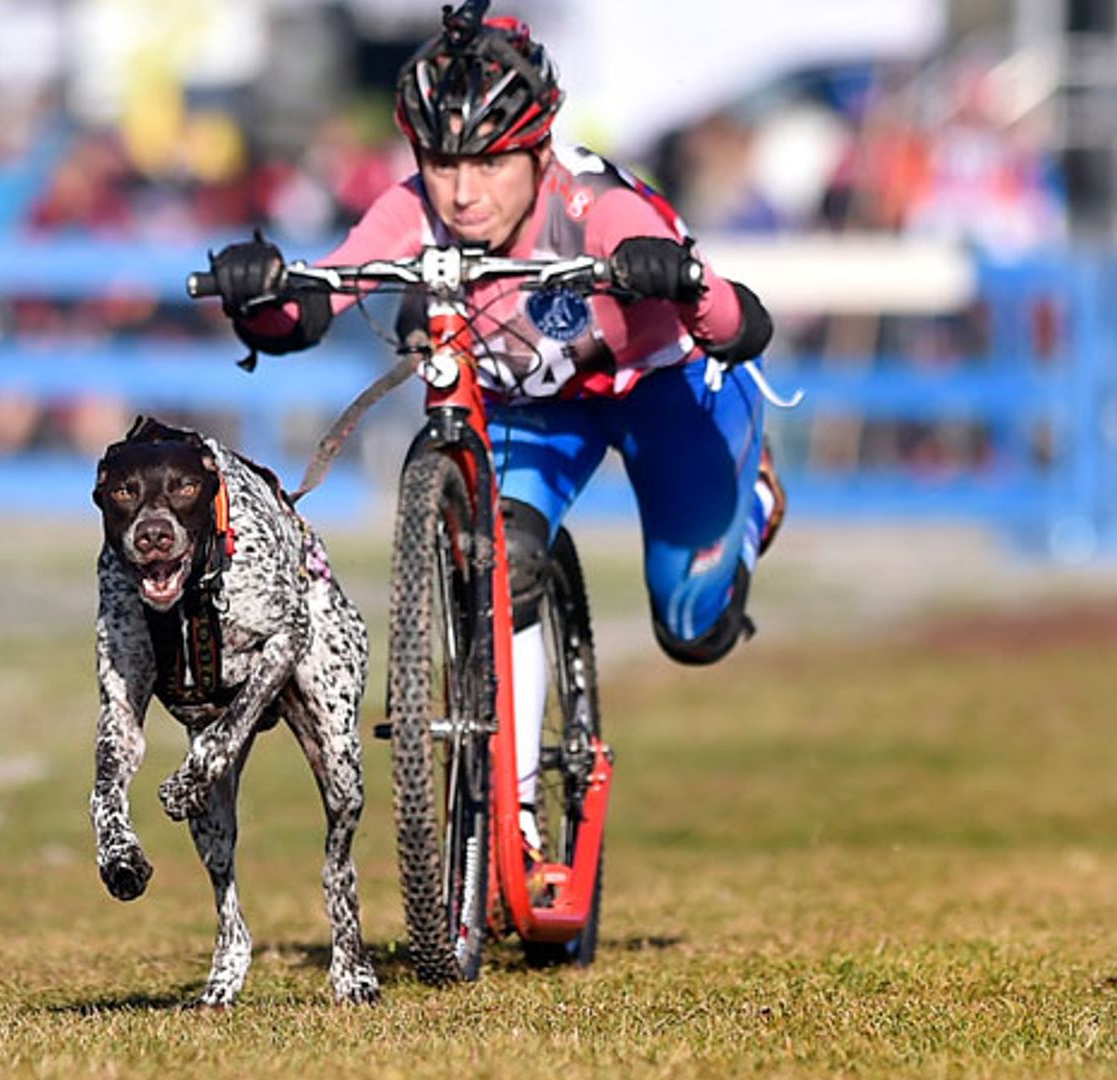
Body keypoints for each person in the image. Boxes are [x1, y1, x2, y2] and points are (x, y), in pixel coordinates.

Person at [204, 1, 784, 853]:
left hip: (665, 389)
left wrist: (685, 284)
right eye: (440, 161)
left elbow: (744, 325)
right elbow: (312, 305)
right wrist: (257, 298)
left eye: (489, 162)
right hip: (538, 412)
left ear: (538, 150)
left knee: (695, 627)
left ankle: (756, 501)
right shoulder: (416, 210)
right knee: (500, 560)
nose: (463, 190)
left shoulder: (598, 208)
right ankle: (507, 816)